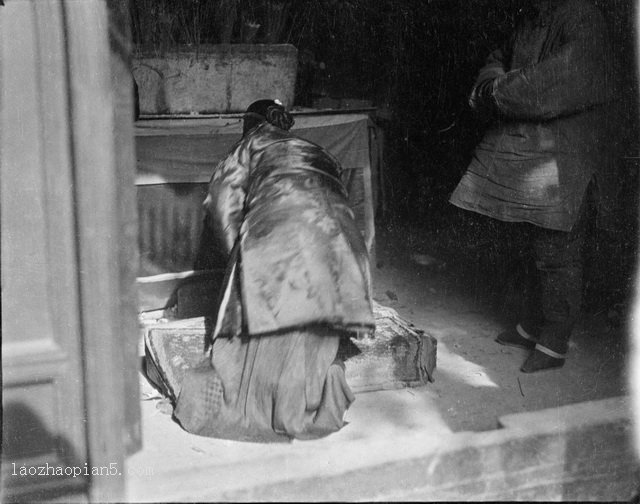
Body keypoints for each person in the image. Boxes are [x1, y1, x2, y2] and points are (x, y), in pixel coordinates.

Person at [173, 99, 375, 441]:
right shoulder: (316, 149)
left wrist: (240, 257)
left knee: (256, 332)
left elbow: (221, 202)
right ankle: (303, 402)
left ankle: (265, 401)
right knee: (312, 324)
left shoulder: (250, 143)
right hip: (340, 246)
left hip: (281, 235)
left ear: (250, 124)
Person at [450, 0, 617, 373]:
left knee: (556, 250)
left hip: (564, 152)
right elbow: (498, 57)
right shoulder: (533, 16)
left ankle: (555, 340)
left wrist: (495, 93)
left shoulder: (582, 16)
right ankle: (530, 325)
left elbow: (558, 82)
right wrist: (493, 84)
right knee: (526, 240)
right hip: (526, 143)